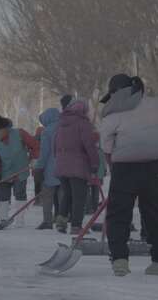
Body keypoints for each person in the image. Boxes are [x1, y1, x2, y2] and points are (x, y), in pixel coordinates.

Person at [100, 74, 158, 276]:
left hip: (124, 168)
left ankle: (120, 260)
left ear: (115, 92)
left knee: (119, 214)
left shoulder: (112, 112)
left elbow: (105, 144)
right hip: (152, 167)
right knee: (155, 213)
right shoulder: (156, 105)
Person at [54, 100, 100, 234]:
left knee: (67, 194)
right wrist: (95, 163)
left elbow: (54, 145)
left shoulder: (61, 123)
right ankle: (76, 226)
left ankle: (61, 224)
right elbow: (89, 145)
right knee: (79, 197)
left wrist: (59, 160)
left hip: (62, 164)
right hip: (78, 165)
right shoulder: (83, 123)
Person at [0, 115, 40, 227]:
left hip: (20, 170)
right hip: (4, 172)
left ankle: (20, 220)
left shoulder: (19, 133)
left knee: (20, 193)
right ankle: (3, 219)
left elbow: (35, 146)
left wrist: (34, 158)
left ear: (4, 129)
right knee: (2, 194)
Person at [33, 108, 61, 230]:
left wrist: (39, 167)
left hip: (50, 168)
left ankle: (47, 221)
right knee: (62, 196)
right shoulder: (65, 127)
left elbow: (44, 153)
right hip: (65, 167)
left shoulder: (47, 131)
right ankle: (61, 221)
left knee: (48, 195)